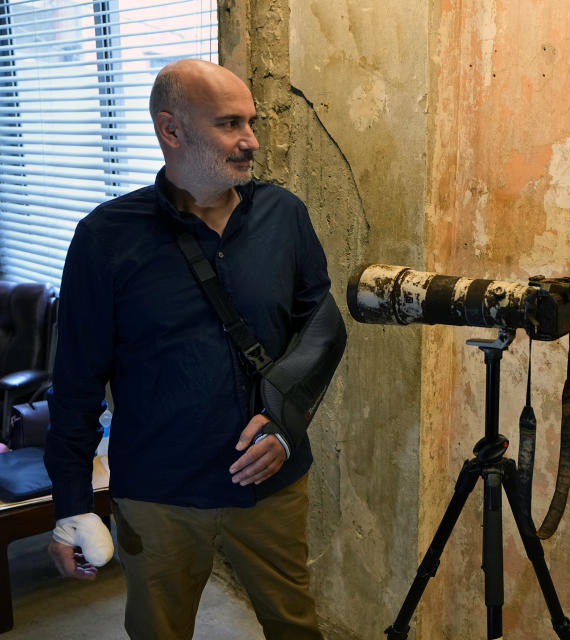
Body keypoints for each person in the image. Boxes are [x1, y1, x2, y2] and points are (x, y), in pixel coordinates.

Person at [44, 59, 335, 639]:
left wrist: (284, 425)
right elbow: (76, 379)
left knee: (296, 626)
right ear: (171, 130)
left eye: (250, 122)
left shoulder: (286, 215)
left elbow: (321, 324)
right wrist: (72, 506)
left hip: (270, 486)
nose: (251, 141)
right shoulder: (106, 237)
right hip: (159, 495)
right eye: (231, 124)